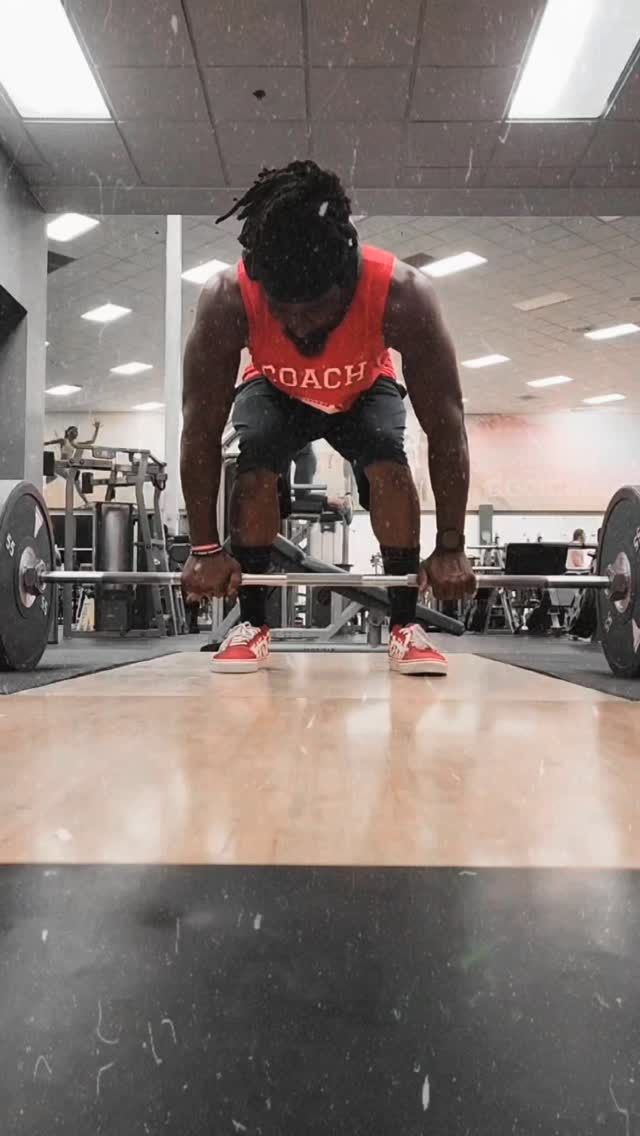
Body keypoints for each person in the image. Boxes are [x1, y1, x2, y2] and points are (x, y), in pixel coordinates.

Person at [181, 160, 475, 675]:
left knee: (389, 459)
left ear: (347, 280)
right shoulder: (228, 298)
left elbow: (446, 426)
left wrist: (450, 545)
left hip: (364, 386)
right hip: (275, 388)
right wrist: (205, 549)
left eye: (313, 310)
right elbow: (200, 431)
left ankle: (406, 626)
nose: (297, 324)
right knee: (254, 465)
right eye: (283, 310)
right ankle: (252, 624)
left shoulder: (403, 295)